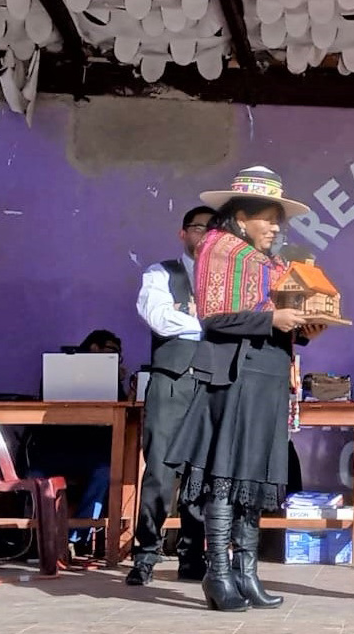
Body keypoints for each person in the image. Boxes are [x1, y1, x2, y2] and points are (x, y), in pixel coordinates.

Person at [164, 166, 325, 612]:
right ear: (240, 216)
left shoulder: (268, 262)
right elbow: (214, 317)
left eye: (277, 221)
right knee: (225, 476)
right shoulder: (221, 250)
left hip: (267, 374)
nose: (274, 228)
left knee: (252, 477)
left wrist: (303, 327)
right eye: (267, 219)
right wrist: (273, 318)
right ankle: (217, 572)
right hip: (234, 376)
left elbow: (275, 317)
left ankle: (246, 572)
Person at [125, 206, 215, 585]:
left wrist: (196, 323)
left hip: (211, 382)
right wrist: (210, 324)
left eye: (214, 230)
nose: (206, 236)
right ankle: (146, 554)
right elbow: (159, 318)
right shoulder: (161, 273)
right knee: (160, 472)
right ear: (183, 233)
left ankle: (192, 557)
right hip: (171, 381)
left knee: (202, 474)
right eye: (199, 229)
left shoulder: (227, 281)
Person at [25, 329, 126, 555]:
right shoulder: (60, 370)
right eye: (112, 352)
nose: (116, 358)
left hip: (91, 454)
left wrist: (118, 381)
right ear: (94, 348)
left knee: (105, 472)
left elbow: (121, 409)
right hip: (54, 450)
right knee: (36, 473)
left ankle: (77, 537)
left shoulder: (111, 379)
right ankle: (41, 539)